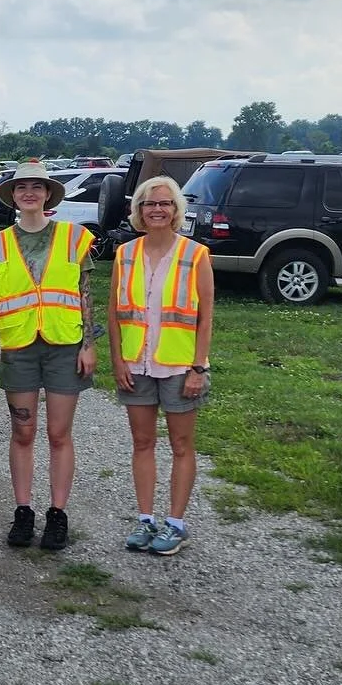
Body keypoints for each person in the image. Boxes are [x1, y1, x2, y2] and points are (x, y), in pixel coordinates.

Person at [0, 161, 98, 551]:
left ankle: (57, 515)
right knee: (23, 432)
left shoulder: (74, 237)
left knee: (59, 433)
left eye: (37, 186)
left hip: (65, 346)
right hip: (19, 348)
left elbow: (84, 293)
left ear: (48, 194)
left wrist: (89, 344)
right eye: (22, 187)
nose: (29, 192)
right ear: (12, 195)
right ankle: (24, 511)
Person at [109, 176, 214, 557]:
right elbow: (115, 312)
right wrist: (118, 359)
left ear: (176, 211)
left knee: (182, 444)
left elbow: (205, 316)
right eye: (149, 203)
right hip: (136, 364)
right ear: (138, 210)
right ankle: (145, 518)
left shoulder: (195, 255)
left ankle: (176, 523)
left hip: (178, 365)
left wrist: (198, 367)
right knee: (142, 442)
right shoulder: (126, 254)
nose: (157, 209)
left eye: (165, 204)